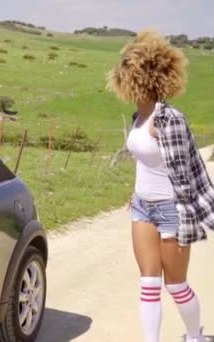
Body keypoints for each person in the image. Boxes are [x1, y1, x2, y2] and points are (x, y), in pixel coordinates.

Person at [107, 31, 214, 342]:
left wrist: (189, 217)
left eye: (127, 72)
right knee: (148, 282)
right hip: (142, 206)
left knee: (176, 285)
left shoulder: (168, 119)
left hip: (172, 211)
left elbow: (188, 173)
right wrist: (136, 193)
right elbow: (146, 162)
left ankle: (195, 336)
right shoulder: (137, 116)